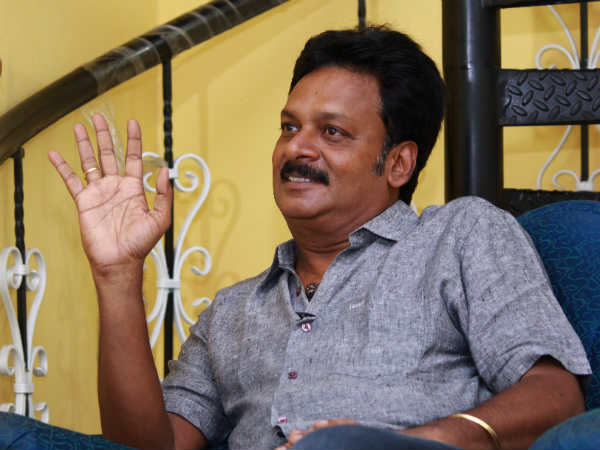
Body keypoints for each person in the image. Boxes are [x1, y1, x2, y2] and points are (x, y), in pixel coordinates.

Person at [42, 26, 590, 450]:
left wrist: (416, 443)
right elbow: (146, 447)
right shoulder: (231, 313)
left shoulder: (461, 236)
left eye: (332, 132)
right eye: (289, 126)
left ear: (398, 163)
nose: (296, 148)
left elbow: (556, 398)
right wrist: (117, 276)